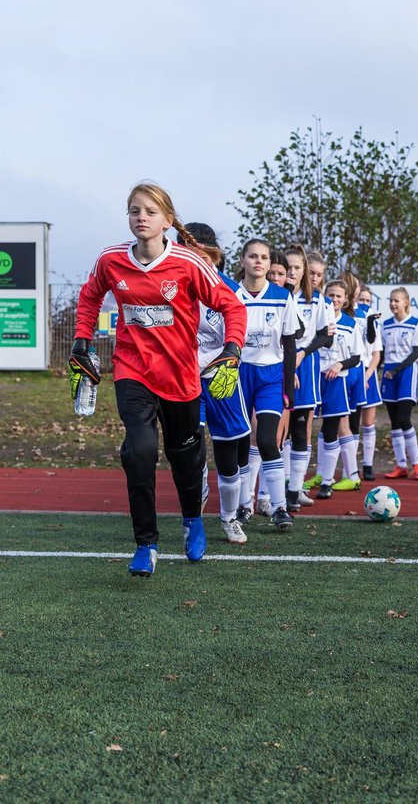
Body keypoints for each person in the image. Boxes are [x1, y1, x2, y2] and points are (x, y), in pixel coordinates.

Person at [72, 183, 246, 576]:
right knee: (139, 452)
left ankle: (192, 520)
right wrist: (82, 341)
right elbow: (89, 297)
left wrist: (232, 348)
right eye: (134, 211)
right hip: (132, 372)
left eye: (150, 211)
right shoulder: (111, 260)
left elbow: (231, 305)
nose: (141, 218)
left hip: (182, 377)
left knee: (185, 459)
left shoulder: (188, 263)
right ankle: (145, 544)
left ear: (168, 220)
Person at [189, 224, 253, 545]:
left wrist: (232, 355)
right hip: (187, 378)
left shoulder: (229, 289)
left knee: (229, 458)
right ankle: (198, 481)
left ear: (213, 253)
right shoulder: (173, 288)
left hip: (222, 377)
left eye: (200, 250)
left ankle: (229, 518)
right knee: (190, 443)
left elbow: (237, 328)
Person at [234, 239, 301, 530]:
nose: (258, 261)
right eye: (252, 256)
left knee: (266, 441)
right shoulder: (230, 295)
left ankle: (279, 508)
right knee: (239, 445)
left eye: (263, 257)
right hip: (237, 375)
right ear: (243, 261)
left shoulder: (282, 297)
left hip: (271, 377)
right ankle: (243, 505)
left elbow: (289, 345)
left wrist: (287, 391)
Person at [283, 244, 333, 510]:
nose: (292, 273)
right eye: (288, 268)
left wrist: (302, 354)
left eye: (297, 268)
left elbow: (325, 335)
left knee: (301, 429)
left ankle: (295, 489)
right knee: (279, 431)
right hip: (280, 366)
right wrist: (288, 363)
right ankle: (274, 491)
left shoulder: (318, 300)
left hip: (307, 368)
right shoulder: (280, 295)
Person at [313, 279, 363, 498]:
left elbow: (356, 357)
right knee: (304, 430)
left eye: (338, 296)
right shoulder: (316, 318)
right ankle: (295, 478)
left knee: (331, 429)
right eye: (331, 295)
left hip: (336, 380)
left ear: (345, 300)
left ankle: (326, 482)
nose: (334, 299)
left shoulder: (351, 324)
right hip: (313, 378)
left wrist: (340, 364)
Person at [380, 287, 418, 480]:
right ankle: (401, 465)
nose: (393, 304)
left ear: (406, 302)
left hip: (406, 371)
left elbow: (416, 352)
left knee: (404, 418)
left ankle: (417, 464)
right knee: (394, 421)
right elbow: (380, 352)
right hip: (388, 371)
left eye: (397, 300)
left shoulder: (417, 324)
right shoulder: (385, 325)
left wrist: (396, 370)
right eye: (391, 300)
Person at [355, 284, 383, 480]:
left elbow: (376, 354)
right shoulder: (351, 318)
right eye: (361, 300)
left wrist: (366, 377)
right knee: (350, 422)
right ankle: (351, 468)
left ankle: (368, 465)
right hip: (352, 371)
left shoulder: (373, 321)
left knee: (368, 422)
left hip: (368, 373)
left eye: (368, 301)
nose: (364, 304)